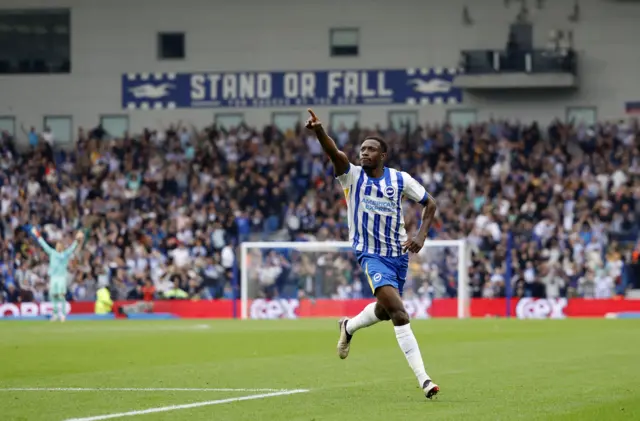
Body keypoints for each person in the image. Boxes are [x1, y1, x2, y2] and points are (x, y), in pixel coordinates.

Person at [305, 109, 440, 399]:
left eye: (370, 150)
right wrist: (319, 131)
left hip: (398, 256)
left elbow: (431, 204)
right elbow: (335, 153)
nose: (364, 153)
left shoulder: (400, 180)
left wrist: (420, 235)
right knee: (399, 313)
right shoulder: (351, 176)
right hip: (370, 254)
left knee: (384, 310)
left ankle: (348, 326)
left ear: (383, 155)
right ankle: (425, 380)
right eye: (362, 149)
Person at [31, 227, 84, 322]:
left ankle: (63, 314)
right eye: (57, 245)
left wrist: (77, 240)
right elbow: (43, 244)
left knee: (61, 296)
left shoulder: (65, 254)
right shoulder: (52, 253)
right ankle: (55, 314)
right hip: (53, 277)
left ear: (62, 247)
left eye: (60, 245)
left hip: (61, 277)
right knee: (53, 296)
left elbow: (72, 247)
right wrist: (37, 234)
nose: (58, 247)